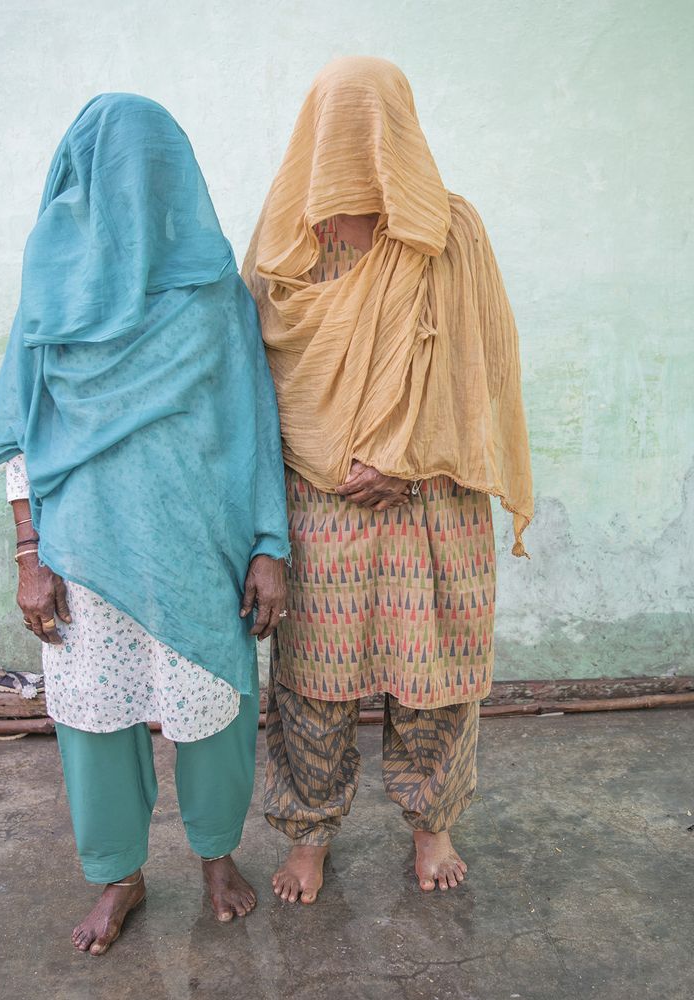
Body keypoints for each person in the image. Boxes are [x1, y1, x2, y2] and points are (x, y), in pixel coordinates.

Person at [0, 94, 290, 953]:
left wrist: (269, 545)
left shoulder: (215, 289)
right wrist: (29, 553)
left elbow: (255, 421)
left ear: (172, 177)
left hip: (200, 545)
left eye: (147, 174)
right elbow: (19, 430)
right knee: (93, 721)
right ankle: (119, 875)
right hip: (82, 552)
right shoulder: (50, 286)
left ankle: (217, 855)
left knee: (214, 709)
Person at [242, 57, 533, 903]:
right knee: (312, 683)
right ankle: (309, 833)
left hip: (431, 492)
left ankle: (432, 823)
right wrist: (334, 456)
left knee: (437, 679)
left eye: (372, 126)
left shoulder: (451, 230)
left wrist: (405, 454)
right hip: (318, 494)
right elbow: (260, 377)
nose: (356, 144)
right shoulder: (287, 243)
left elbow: (480, 370)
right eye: (341, 126)